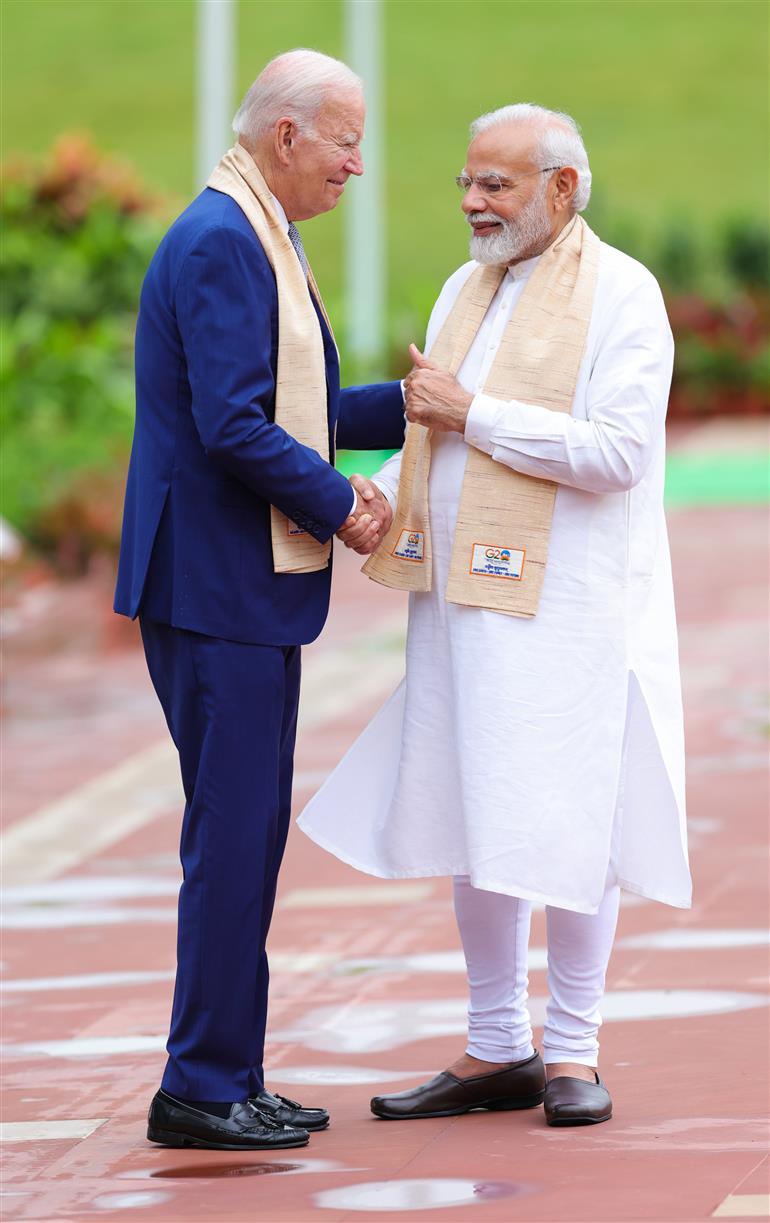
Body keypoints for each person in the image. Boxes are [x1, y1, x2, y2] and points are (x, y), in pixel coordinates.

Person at [298, 103, 692, 1128]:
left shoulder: (622, 294)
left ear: (561, 187)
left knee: (569, 813)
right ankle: (494, 1043)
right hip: (464, 603)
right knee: (480, 808)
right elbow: (440, 441)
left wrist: (471, 412)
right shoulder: (463, 288)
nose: (471, 203)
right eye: (466, 183)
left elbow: (615, 455)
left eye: (496, 185)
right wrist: (372, 492)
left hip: (572, 609)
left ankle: (571, 1047)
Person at [113, 48, 400, 1151]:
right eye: (343, 140)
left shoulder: (252, 233)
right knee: (232, 836)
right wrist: (341, 504)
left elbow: (304, 403)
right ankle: (199, 1083)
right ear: (287, 136)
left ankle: (229, 1070)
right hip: (214, 584)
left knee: (244, 833)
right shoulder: (225, 242)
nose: (355, 164)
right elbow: (237, 424)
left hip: (225, 582)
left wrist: (419, 405)